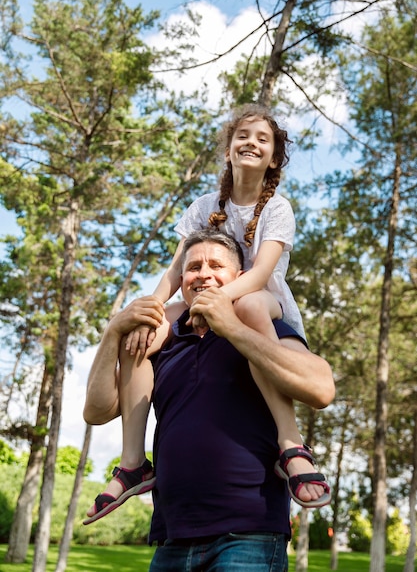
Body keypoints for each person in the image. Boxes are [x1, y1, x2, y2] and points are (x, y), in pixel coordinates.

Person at [85, 104, 331, 524]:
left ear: (273, 158)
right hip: (205, 297)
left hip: (258, 295)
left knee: (250, 305)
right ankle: (132, 462)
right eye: (243, 136)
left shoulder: (277, 209)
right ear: (229, 148)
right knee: (147, 326)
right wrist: (151, 308)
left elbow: (259, 276)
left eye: (262, 139)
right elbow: (178, 268)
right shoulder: (204, 205)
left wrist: (214, 306)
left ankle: (291, 444)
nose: (251, 142)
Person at [83, 230, 335, 571]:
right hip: (172, 537)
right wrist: (113, 332)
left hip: (249, 535)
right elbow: (97, 410)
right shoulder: (164, 344)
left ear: (240, 279)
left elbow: (321, 389)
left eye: (216, 265)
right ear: (181, 280)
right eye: (193, 267)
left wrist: (232, 328)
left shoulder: (260, 328)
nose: (203, 273)